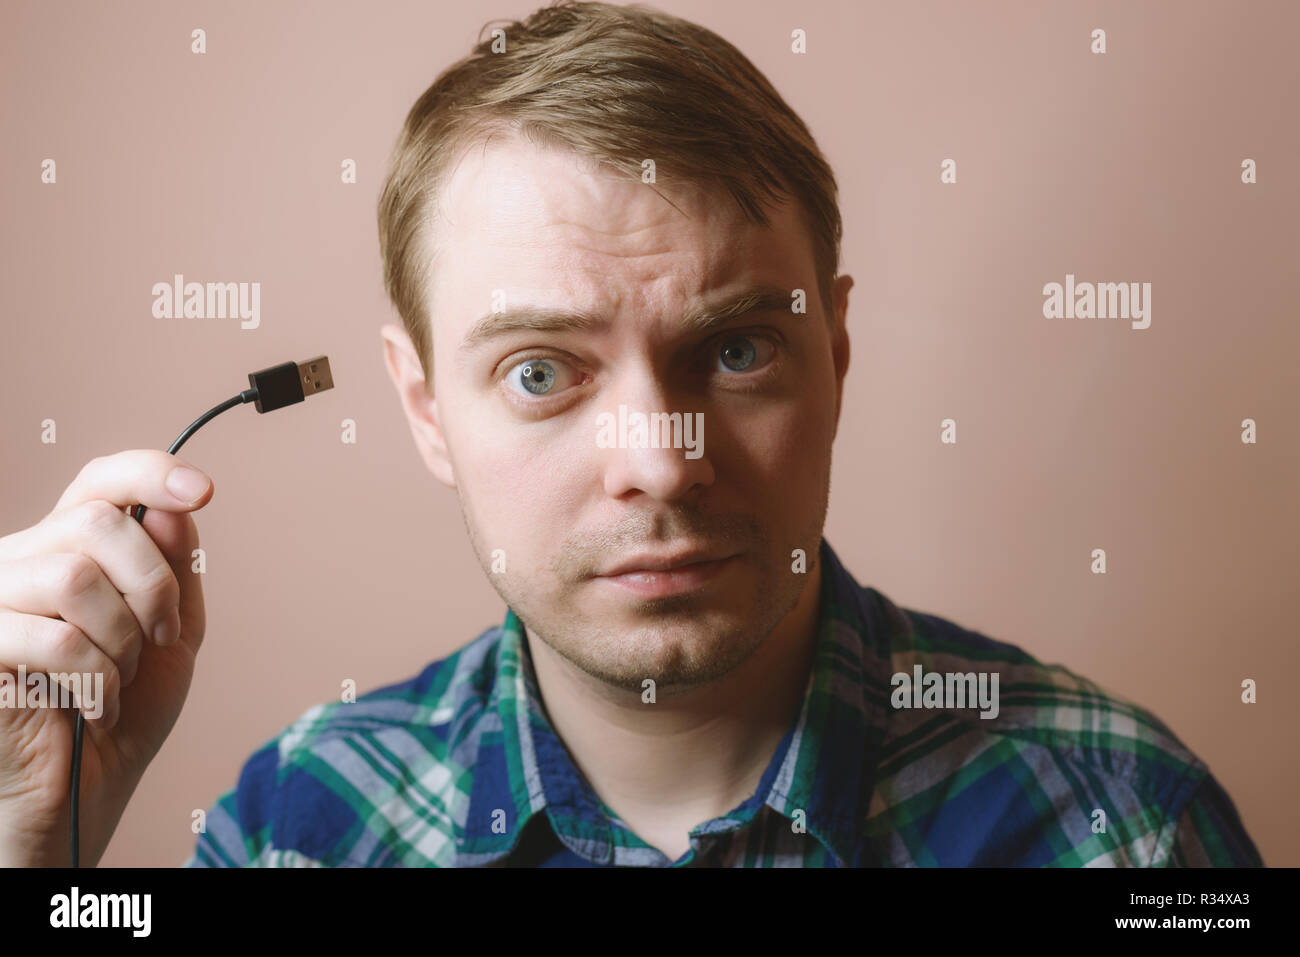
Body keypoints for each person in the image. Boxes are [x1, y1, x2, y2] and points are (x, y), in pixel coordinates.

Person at [0, 1, 1262, 868]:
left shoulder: (1116, 824)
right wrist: (34, 845)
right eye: (542, 369)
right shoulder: (300, 829)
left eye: (735, 349)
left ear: (835, 351)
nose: (660, 460)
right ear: (425, 406)